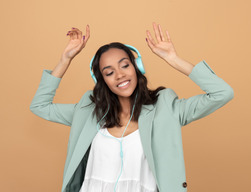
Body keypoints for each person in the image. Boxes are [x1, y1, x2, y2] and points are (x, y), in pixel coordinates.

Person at [30, 22, 234, 192]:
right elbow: (40, 106)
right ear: (102, 81)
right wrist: (65, 60)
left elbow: (222, 93)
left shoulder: (166, 108)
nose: (119, 75)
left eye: (125, 65)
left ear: (137, 67)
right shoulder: (88, 112)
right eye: (109, 72)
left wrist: (173, 59)